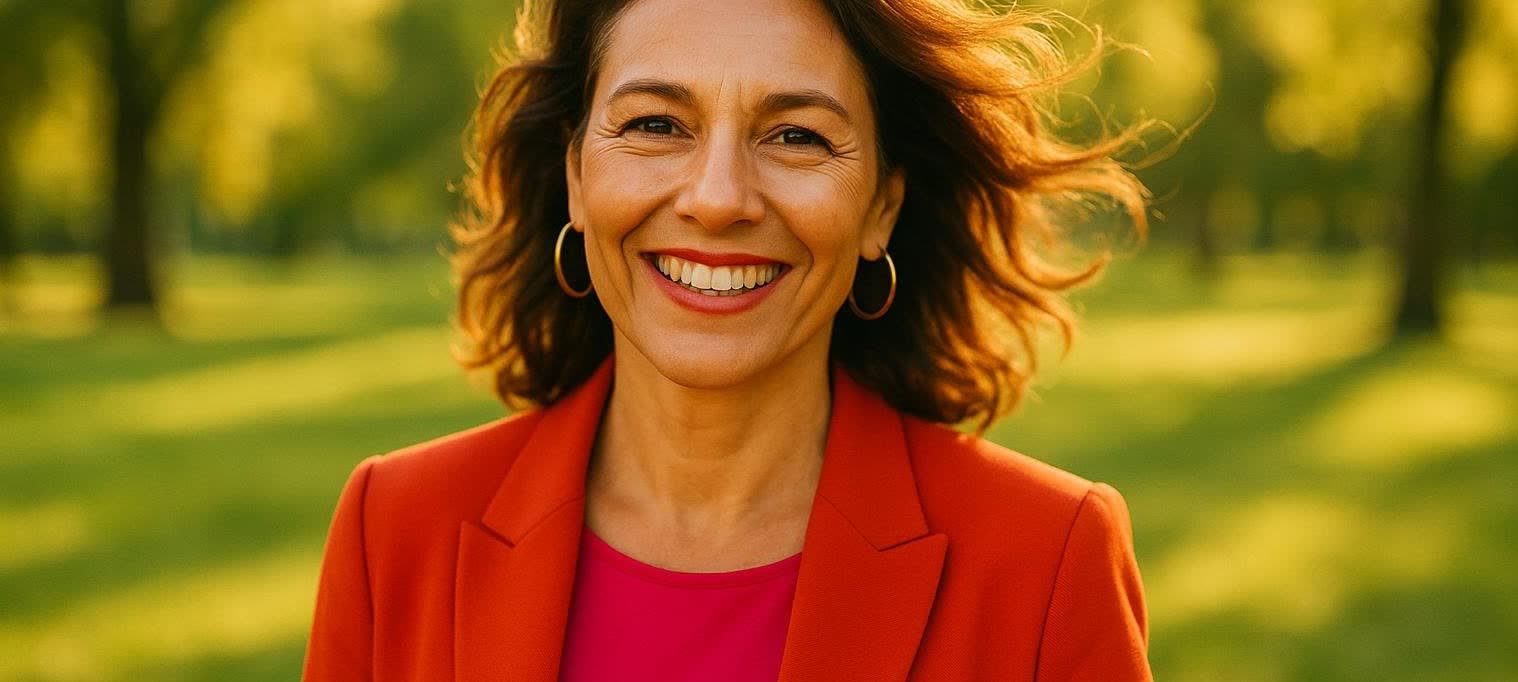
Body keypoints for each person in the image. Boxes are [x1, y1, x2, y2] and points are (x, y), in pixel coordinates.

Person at [302, 0, 1155, 679]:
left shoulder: (1047, 559)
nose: (717, 198)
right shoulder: (396, 530)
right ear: (574, 173)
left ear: (881, 208)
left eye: (797, 136)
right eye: (655, 125)